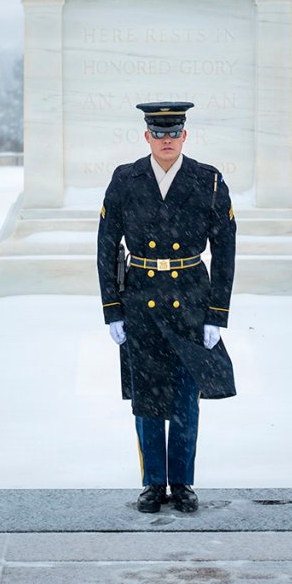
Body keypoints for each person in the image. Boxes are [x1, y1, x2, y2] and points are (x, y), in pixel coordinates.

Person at [97, 101, 237, 514]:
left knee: (184, 398)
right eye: (158, 134)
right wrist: (112, 308)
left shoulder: (207, 180)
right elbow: (106, 246)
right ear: (147, 137)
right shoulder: (125, 179)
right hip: (141, 301)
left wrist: (217, 313)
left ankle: (182, 481)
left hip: (190, 302)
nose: (166, 140)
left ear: (184, 135)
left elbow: (226, 250)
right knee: (147, 396)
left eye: (173, 133)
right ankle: (154, 483)